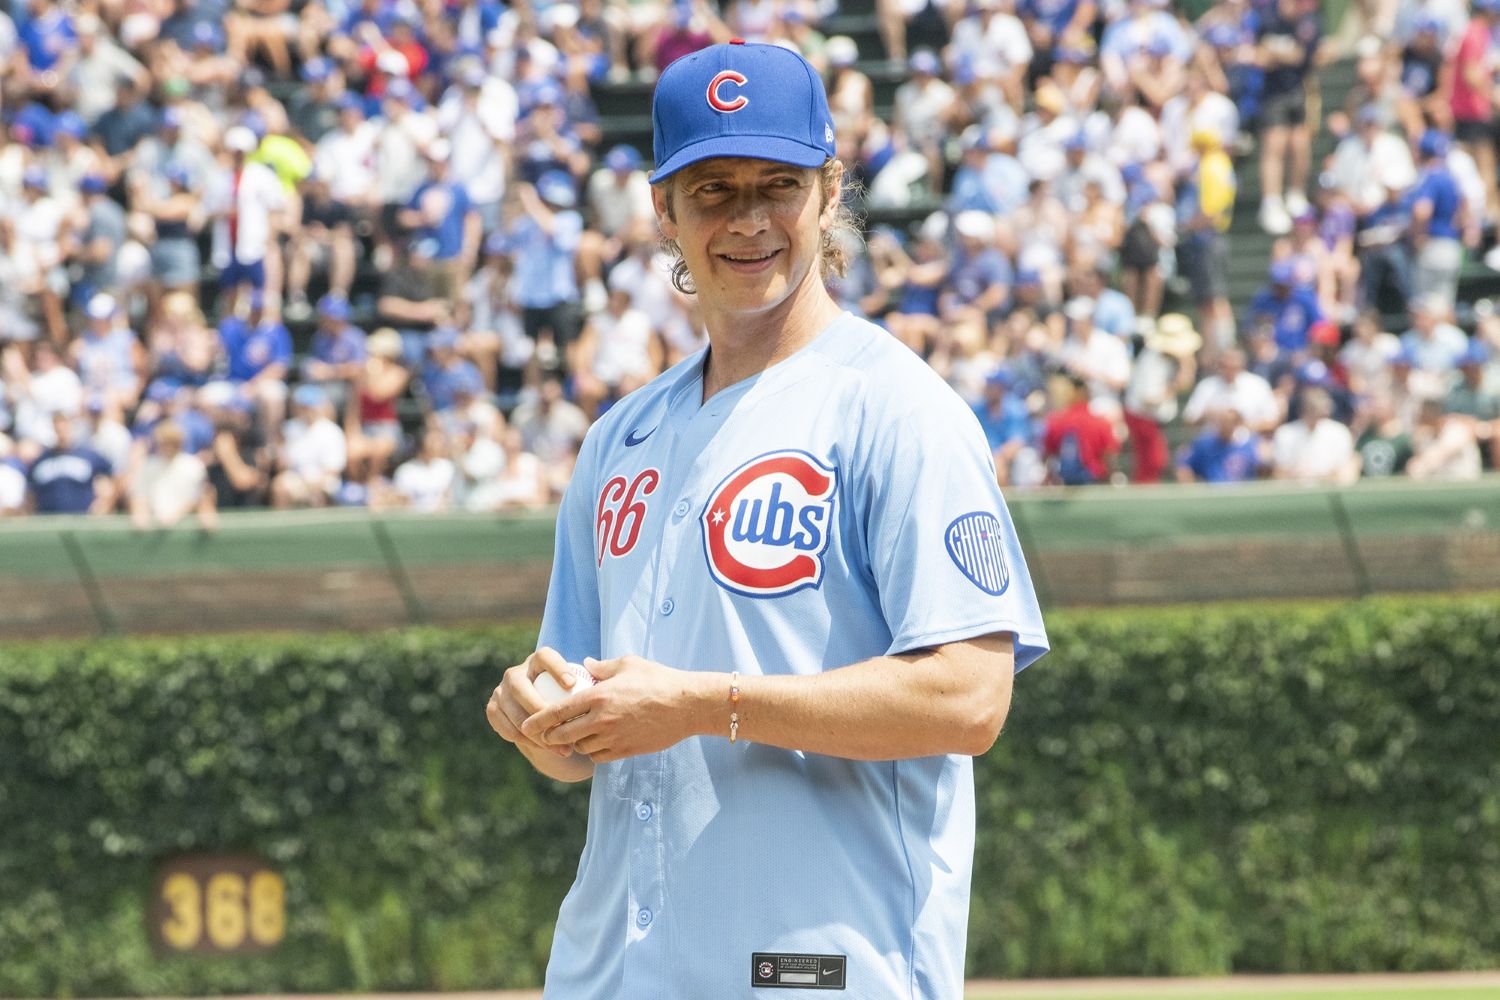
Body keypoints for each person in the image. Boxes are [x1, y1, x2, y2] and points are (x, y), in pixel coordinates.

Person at [484, 42, 1048, 1000]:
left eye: (776, 185)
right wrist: (545, 726)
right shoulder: (619, 439)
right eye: (713, 191)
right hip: (614, 972)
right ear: (663, 210)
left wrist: (707, 705)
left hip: (821, 967)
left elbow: (968, 698)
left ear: (829, 193)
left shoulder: (898, 411)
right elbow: (587, 735)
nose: (748, 220)